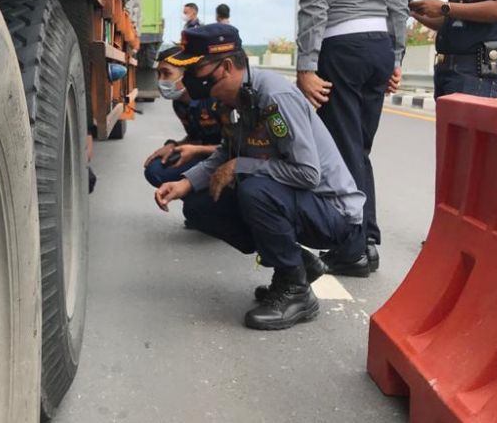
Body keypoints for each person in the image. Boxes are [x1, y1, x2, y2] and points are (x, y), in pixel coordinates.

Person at [155, 24, 367, 330]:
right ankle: (296, 264)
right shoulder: (235, 101)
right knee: (201, 204)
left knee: (254, 189)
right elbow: (225, 155)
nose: (190, 80)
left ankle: (296, 291)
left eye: (197, 69)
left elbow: (307, 174)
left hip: (332, 211)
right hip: (295, 201)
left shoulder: (274, 96)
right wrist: (185, 184)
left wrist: (242, 166)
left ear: (226, 67)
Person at [294, 0, 408, 272]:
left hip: (339, 48)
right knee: (359, 148)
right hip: (379, 47)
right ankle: (367, 237)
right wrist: (395, 57)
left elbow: (314, 7)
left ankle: (352, 249)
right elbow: (398, 6)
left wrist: (306, 67)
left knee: (343, 152)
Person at [143, 43, 224, 225]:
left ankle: (218, 208)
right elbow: (194, 137)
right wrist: (174, 145)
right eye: (159, 75)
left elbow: (235, 147)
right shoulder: (179, 103)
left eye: (166, 73)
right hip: (205, 154)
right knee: (155, 170)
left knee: (195, 209)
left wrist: (196, 150)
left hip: (227, 159)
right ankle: (201, 206)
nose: (161, 81)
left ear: (186, 74)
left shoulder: (214, 98)